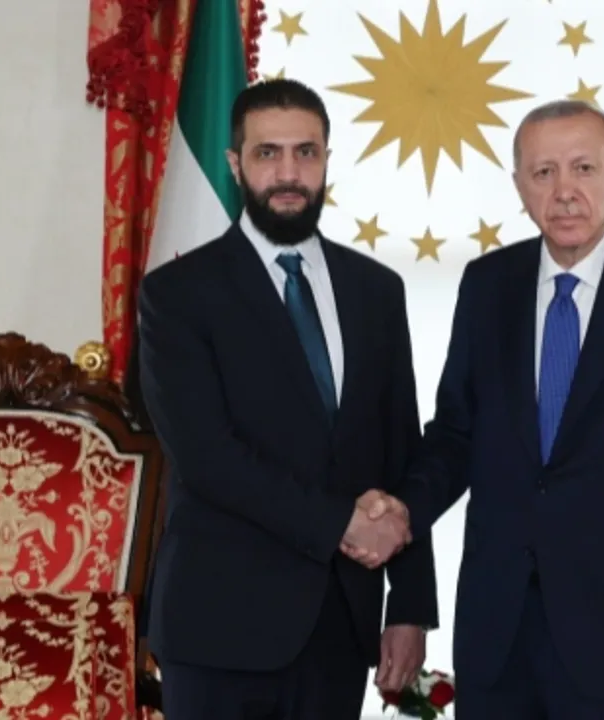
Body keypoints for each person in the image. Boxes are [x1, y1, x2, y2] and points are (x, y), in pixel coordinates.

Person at [345, 99, 604, 718]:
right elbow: (455, 436)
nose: (564, 192)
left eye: (583, 168)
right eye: (544, 172)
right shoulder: (487, 285)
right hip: (501, 634)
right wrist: (403, 512)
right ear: (519, 187)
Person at [137, 78, 435, 720]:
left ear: (327, 159)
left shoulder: (377, 291)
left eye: (306, 152)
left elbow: (400, 450)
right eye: (267, 153)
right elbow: (208, 458)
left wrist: (410, 607)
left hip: (339, 629)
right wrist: (344, 524)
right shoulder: (177, 294)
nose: (288, 173)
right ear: (234, 163)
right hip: (217, 628)